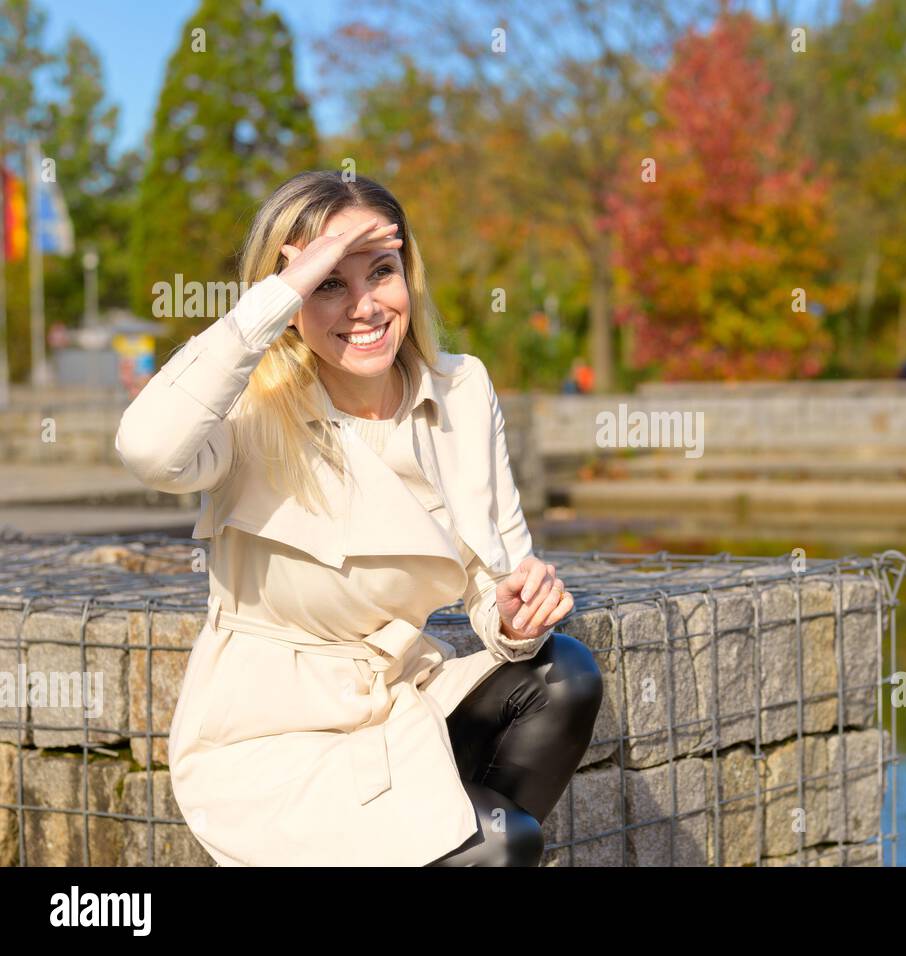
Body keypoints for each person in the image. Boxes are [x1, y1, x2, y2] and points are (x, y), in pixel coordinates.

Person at [115, 171, 602, 867]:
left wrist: (514, 616)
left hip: (400, 697)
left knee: (565, 673)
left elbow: (495, 577)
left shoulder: (462, 390)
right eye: (328, 285)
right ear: (289, 300)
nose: (365, 307)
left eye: (381, 272)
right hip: (272, 734)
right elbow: (148, 448)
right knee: (504, 843)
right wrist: (277, 296)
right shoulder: (252, 406)